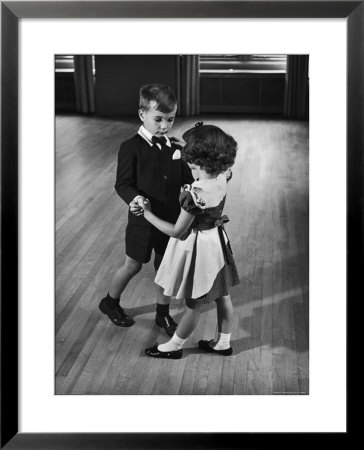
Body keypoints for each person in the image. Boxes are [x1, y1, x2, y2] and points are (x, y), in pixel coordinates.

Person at [99, 84, 194, 337]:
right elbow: (123, 184)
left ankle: (162, 314)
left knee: (165, 268)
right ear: (142, 114)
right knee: (133, 265)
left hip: (170, 221)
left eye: (170, 119)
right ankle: (110, 302)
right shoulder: (130, 147)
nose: (164, 126)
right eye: (158, 119)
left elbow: (186, 177)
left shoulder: (176, 148)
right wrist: (136, 198)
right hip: (143, 221)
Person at [140, 123, 240, 359]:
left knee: (193, 305)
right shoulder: (223, 176)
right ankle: (223, 343)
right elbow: (209, 165)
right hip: (218, 242)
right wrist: (190, 147)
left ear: (197, 159)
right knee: (222, 295)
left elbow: (176, 231)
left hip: (200, 249)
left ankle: (173, 346)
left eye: (190, 156)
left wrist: (147, 214)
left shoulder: (196, 194)